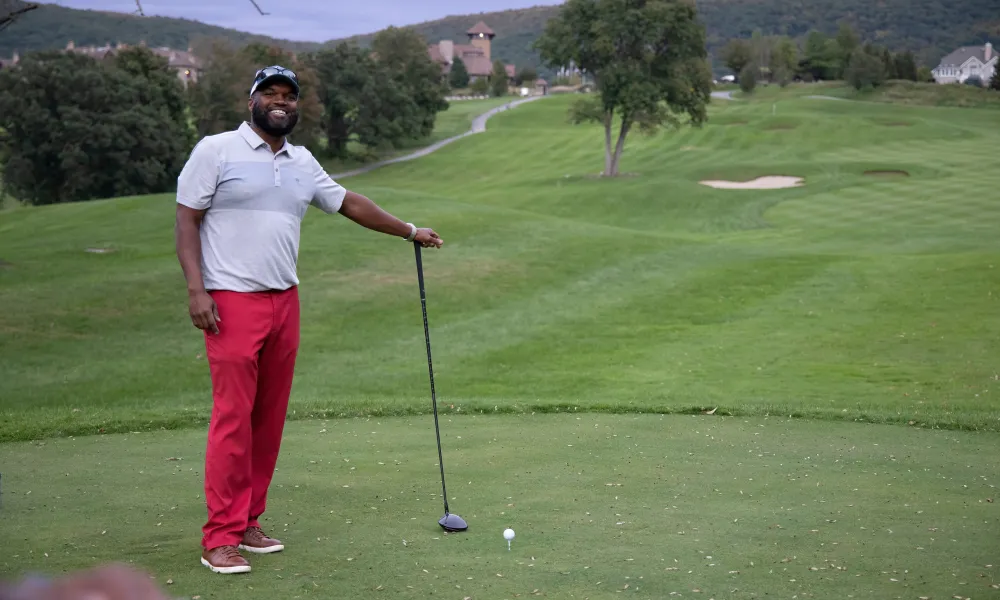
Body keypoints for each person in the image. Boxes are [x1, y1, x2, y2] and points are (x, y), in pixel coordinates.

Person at [174, 65, 443, 575]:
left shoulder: (300, 161)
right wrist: (196, 290)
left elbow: (349, 203)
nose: (281, 102)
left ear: (297, 106)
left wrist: (409, 231)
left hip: (284, 301)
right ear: (251, 100)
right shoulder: (215, 150)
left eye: (289, 96)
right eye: (270, 94)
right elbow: (187, 219)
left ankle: (249, 520)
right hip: (230, 300)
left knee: (267, 420)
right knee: (233, 419)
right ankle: (219, 537)